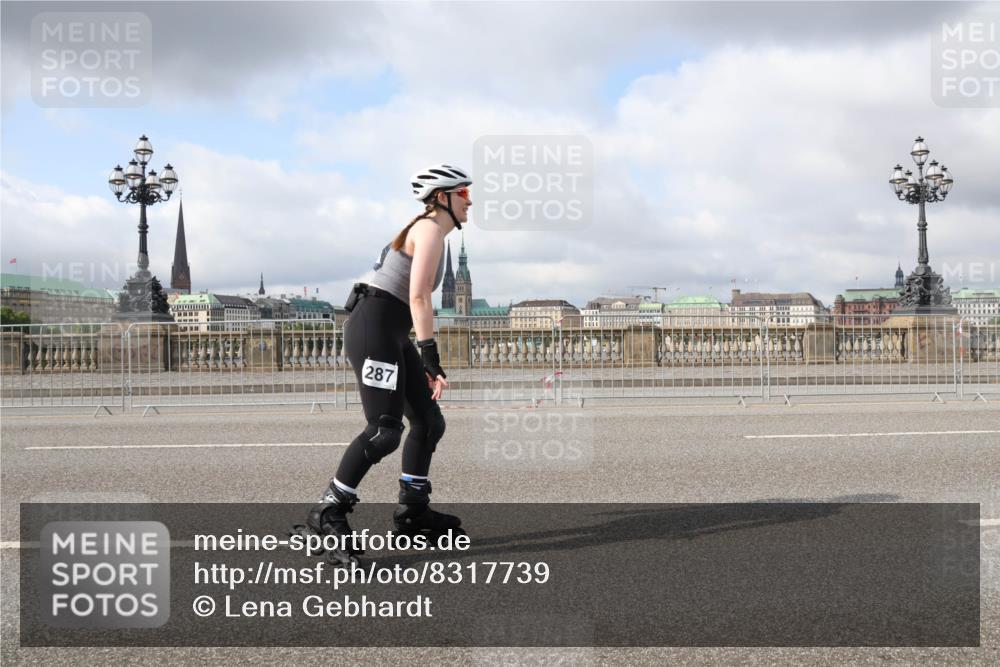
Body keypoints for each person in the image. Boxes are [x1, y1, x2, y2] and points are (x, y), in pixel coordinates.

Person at [298, 164, 472, 566]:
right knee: (384, 431)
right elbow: (419, 299)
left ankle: (413, 510)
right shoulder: (429, 229)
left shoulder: (434, 232)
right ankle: (328, 510)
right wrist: (431, 359)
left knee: (429, 421)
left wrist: (422, 353)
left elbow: (412, 303)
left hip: (390, 330)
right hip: (374, 328)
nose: (470, 202)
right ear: (441, 197)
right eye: (463, 194)